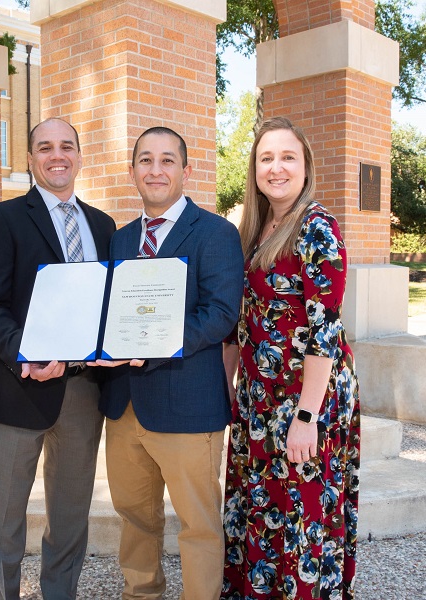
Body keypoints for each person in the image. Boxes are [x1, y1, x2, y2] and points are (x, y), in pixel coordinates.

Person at [93, 126, 244, 599]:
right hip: (124, 408)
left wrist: (157, 342)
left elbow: (221, 313)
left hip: (188, 404)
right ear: (133, 169)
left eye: (166, 160)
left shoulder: (215, 233)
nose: (155, 170)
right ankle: (142, 593)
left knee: (198, 524)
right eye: (145, 160)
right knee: (135, 517)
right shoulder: (119, 240)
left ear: (185, 169)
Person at [0, 117, 116, 600]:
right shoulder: (3, 218)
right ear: (31, 158)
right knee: (5, 521)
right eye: (45, 147)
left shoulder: (102, 225)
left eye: (67, 146)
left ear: (79, 154)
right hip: (18, 389)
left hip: (83, 392)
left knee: (70, 518)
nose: (58, 155)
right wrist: (24, 356)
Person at [221, 116, 361, 600]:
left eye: (287, 157)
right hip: (260, 400)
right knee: (260, 509)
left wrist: (306, 415)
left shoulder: (318, 226)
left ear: (305, 167)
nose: (276, 168)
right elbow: (241, 322)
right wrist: (229, 394)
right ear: (254, 168)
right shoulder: (255, 229)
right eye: (266, 158)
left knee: (300, 516)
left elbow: (325, 332)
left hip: (305, 398)